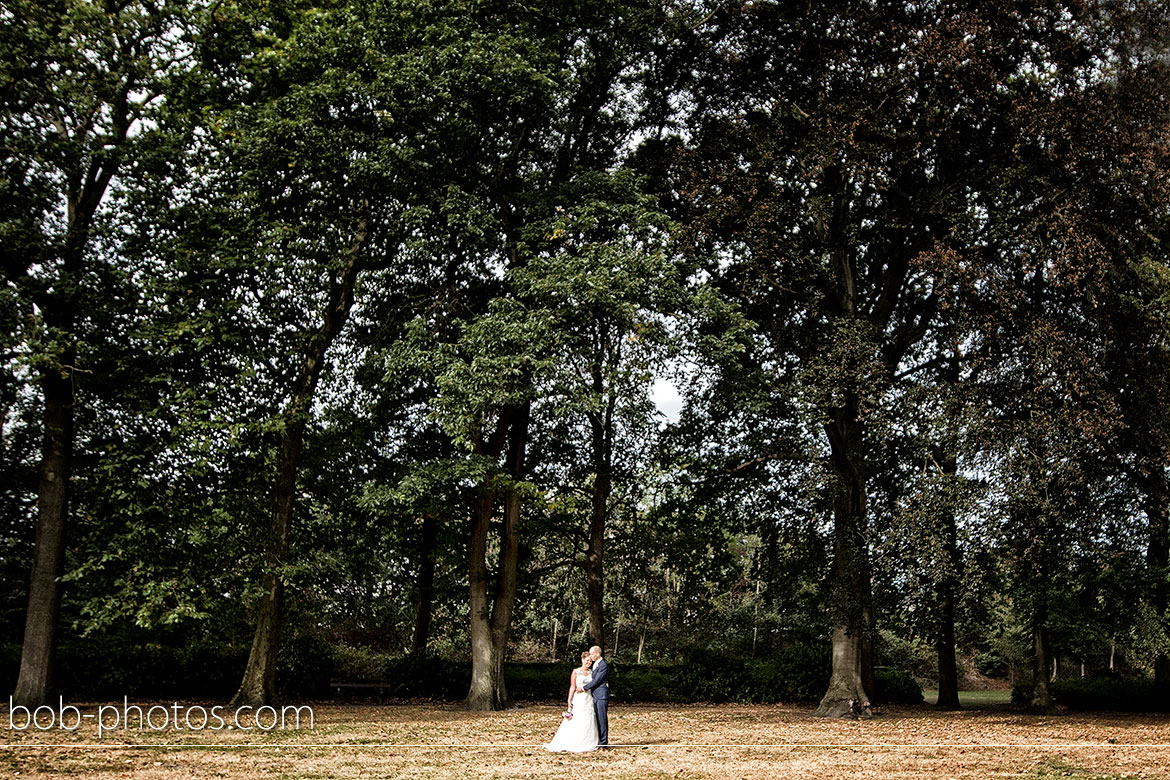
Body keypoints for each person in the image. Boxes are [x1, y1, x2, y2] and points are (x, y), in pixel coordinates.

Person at [544, 651, 599, 752]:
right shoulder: (576, 672)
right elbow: (572, 686)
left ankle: (588, 741)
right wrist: (569, 700)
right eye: (587, 660)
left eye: (590, 661)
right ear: (582, 660)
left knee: (588, 718)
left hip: (589, 698)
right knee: (576, 718)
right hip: (578, 698)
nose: (589, 663)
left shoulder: (592, 672)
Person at [581, 645, 610, 748]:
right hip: (595, 695)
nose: (591, 656)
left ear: (597, 654)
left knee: (602, 719)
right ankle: (598, 741)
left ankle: (603, 744)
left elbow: (597, 680)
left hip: (601, 696)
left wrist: (584, 688)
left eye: (592, 654)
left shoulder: (603, 665)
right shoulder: (595, 665)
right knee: (597, 719)